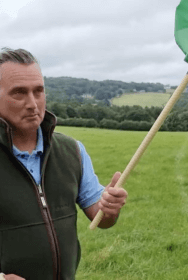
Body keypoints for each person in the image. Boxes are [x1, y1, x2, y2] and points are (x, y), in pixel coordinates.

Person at [0, 48, 128, 280]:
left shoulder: (72, 151)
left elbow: (101, 218)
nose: (33, 103)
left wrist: (109, 207)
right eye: (19, 93)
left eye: (38, 91)